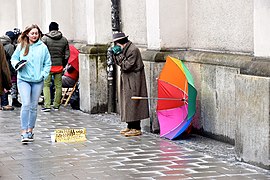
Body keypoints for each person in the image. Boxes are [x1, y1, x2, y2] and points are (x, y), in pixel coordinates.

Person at [11, 24, 51, 142]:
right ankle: (23, 132)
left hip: (37, 81)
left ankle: (30, 130)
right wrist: (17, 65)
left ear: (39, 34)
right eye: (32, 33)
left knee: (34, 106)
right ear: (27, 34)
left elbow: (47, 63)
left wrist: (43, 74)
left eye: (36, 33)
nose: (34, 35)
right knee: (26, 104)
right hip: (23, 79)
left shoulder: (43, 47)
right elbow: (14, 59)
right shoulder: (21, 46)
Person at [111, 32, 149, 137]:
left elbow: (127, 66)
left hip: (134, 79)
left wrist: (119, 54)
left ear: (121, 42)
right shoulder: (125, 49)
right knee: (127, 102)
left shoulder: (133, 50)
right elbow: (119, 63)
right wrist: (115, 55)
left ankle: (137, 128)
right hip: (127, 79)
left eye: (116, 44)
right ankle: (130, 126)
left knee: (134, 102)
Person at [41, 22, 70, 112]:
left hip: (47, 66)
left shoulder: (44, 39)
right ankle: (57, 105)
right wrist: (63, 63)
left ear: (49, 29)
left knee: (46, 85)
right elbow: (67, 55)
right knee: (58, 86)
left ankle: (47, 105)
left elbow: (41, 54)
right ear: (58, 28)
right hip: (59, 66)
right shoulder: (64, 40)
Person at [0, 30, 22, 109]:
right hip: (8, 67)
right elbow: (12, 58)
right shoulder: (10, 46)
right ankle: (12, 100)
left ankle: (4, 102)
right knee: (12, 84)